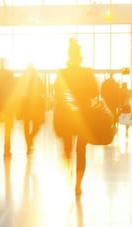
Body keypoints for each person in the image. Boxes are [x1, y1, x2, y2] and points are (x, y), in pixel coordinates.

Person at [54, 38, 99, 196]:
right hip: (84, 116)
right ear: (80, 58)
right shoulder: (87, 73)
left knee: (67, 147)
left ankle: (68, 170)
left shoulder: (62, 73)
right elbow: (95, 92)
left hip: (66, 115)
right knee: (81, 150)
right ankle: (78, 185)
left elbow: (58, 94)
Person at [0, 58, 15, 157]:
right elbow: (13, 89)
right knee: (8, 129)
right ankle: (7, 150)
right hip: (7, 106)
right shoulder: (9, 75)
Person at [17, 64, 45, 155]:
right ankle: (29, 143)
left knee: (28, 125)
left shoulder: (26, 78)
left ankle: (29, 141)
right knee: (34, 125)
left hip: (29, 104)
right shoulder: (35, 78)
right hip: (31, 104)